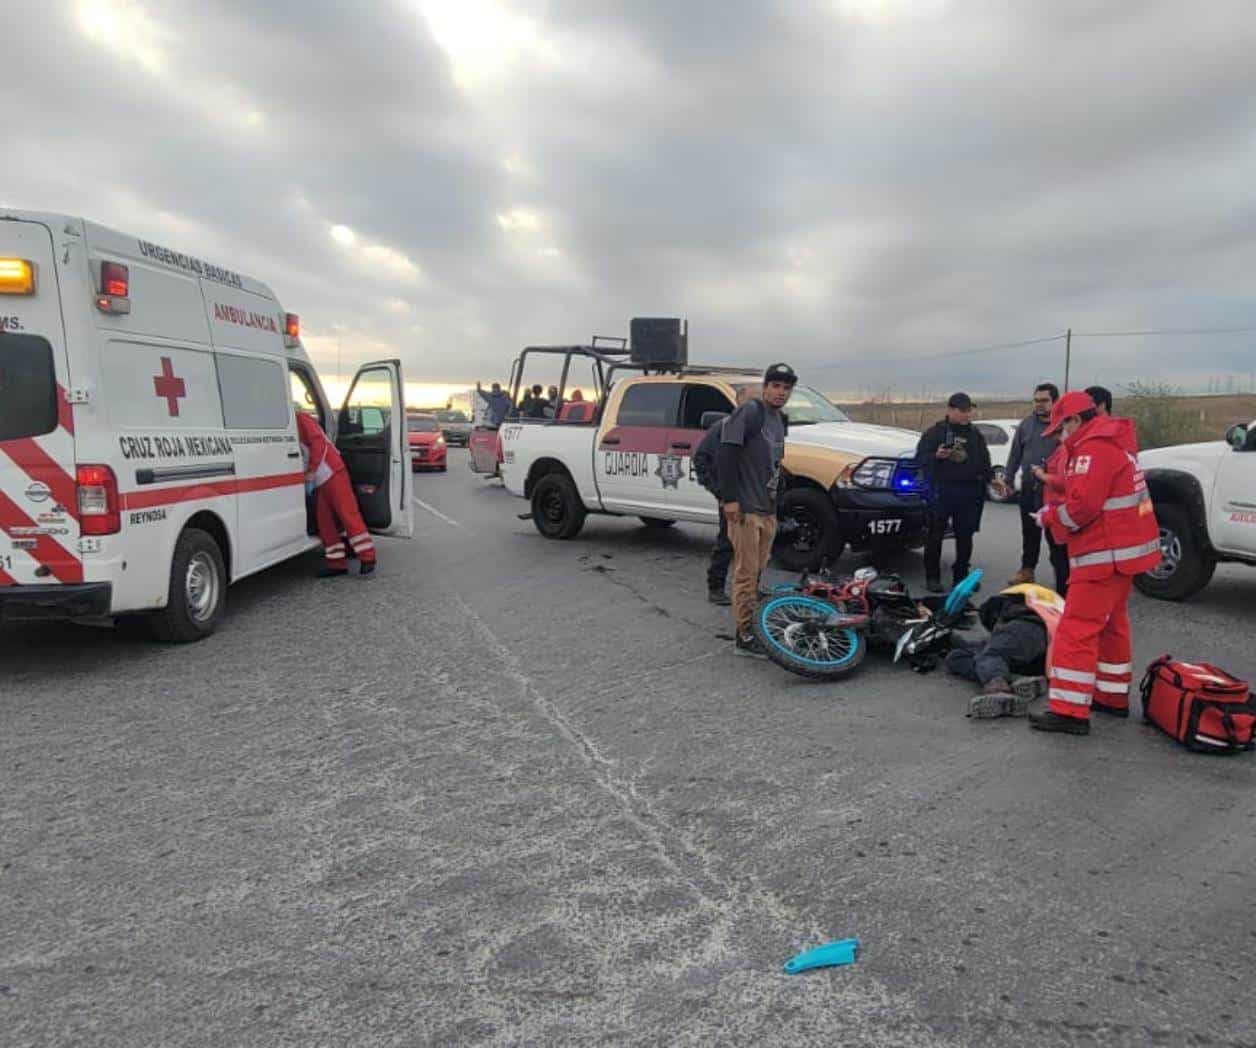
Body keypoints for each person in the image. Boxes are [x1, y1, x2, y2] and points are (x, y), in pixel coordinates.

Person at [1027, 390, 1160, 736]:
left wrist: (1050, 518)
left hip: (1103, 555)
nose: (1059, 437)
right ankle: (1111, 697)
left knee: (1076, 630)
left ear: (1074, 420)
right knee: (1113, 626)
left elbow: (1081, 508)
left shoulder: (1092, 449)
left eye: (1060, 429)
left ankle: (1070, 711)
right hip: (1122, 556)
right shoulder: (1114, 443)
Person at [718, 363, 796, 656]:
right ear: (765, 387)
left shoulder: (778, 419)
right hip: (746, 509)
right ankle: (745, 635)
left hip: (767, 509)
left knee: (759, 572)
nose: (781, 392)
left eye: (786, 388)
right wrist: (730, 500)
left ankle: (754, 624)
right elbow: (726, 453)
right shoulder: (751, 412)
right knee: (746, 574)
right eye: (776, 386)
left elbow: (773, 463)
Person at [947, 584, 1063, 718]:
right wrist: (950, 639)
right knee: (956, 658)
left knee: (991, 655)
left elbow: (993, 649)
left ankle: (998, 688)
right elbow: (983, 646)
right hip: (1048, 651)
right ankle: (1017, 682)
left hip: (1028, 626)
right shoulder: (1045, 601)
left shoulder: (1012, 607)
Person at [916, 393, 992, 593]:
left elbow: (984, 462)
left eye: (969, 410)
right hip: (942, 490)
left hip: (969, 492)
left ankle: (961, 576)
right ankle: (932, 577)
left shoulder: (975, 435)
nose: (967, 414)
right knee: (935, 534)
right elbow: (920, 458)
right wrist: (936, 456)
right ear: (950, 410)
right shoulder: (935, 433)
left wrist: (993, 479)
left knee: (965, 536)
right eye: (963, 410)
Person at [1002, 383, 1069, 593]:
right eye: (1036, 400)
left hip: (1054, 492)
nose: (1039, 404)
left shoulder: (1064, 426)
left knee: (1056, 539)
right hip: (1030, 488)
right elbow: (1015, 454)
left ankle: (1064, 579)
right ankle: (1027, 570)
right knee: (1029, 534)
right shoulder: (1026, 425)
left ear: (1055, 401)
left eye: (1044, 400)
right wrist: (1009, 479)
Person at [296, 412, 377, 578]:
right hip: (322, 477)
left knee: (348, 514)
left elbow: (318, 443)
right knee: (325, 522)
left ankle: (368, 557)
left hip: (332, 473)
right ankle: (336, 563)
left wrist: (311, 471)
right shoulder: (295, 422)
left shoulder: (301, 419)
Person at [695, 387, 754, 605]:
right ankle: (716, 587)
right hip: (732, 497)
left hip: (757, 498)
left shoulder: (765, 430)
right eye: (748, 403)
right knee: (727, 542)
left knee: (755, 547)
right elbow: (701, 459)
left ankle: (750, 588)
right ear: (738, 404)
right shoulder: (722, 429)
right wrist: (720, 492)